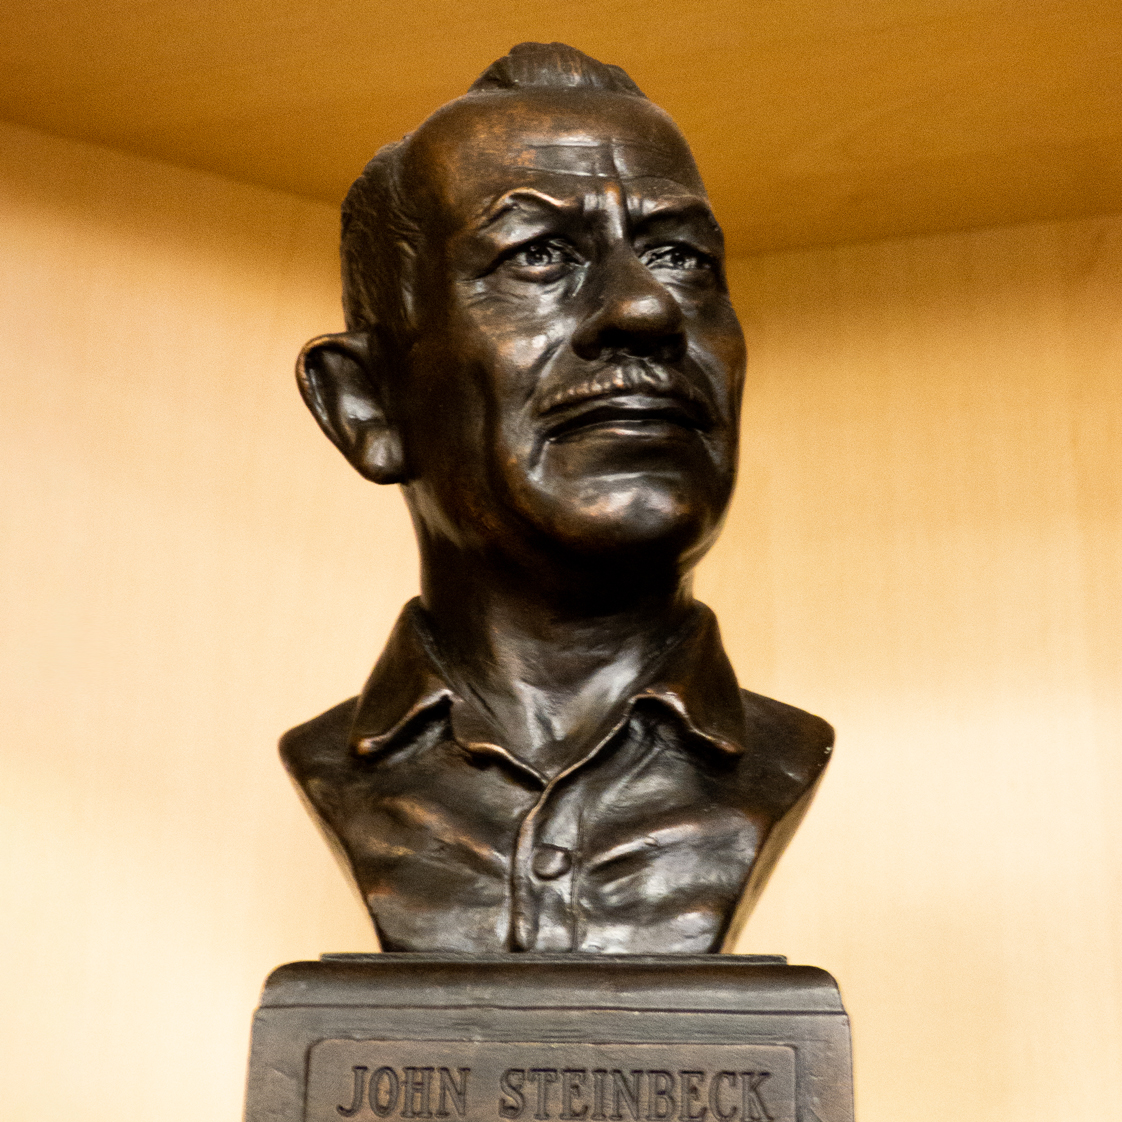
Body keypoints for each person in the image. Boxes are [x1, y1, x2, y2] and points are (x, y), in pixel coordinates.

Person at [282, 42, 833, 953]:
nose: (647, 308)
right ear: (368, 406)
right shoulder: (330, 764)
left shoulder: (786, 757)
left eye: (682, 258)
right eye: (537, 256)